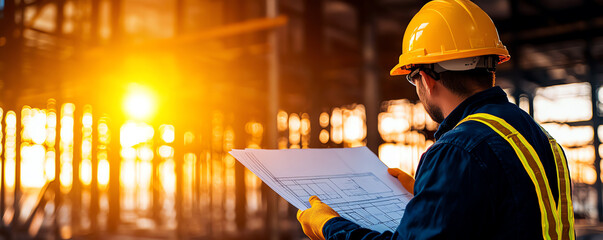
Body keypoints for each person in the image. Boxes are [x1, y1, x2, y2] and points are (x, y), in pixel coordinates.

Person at [297, 0, 575, 239]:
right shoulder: (536, 136)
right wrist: (429, 192)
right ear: (490, 65)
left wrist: (330, 226)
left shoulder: (458, 150)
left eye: (412, 78)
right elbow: (509, 215)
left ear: (426, 80)